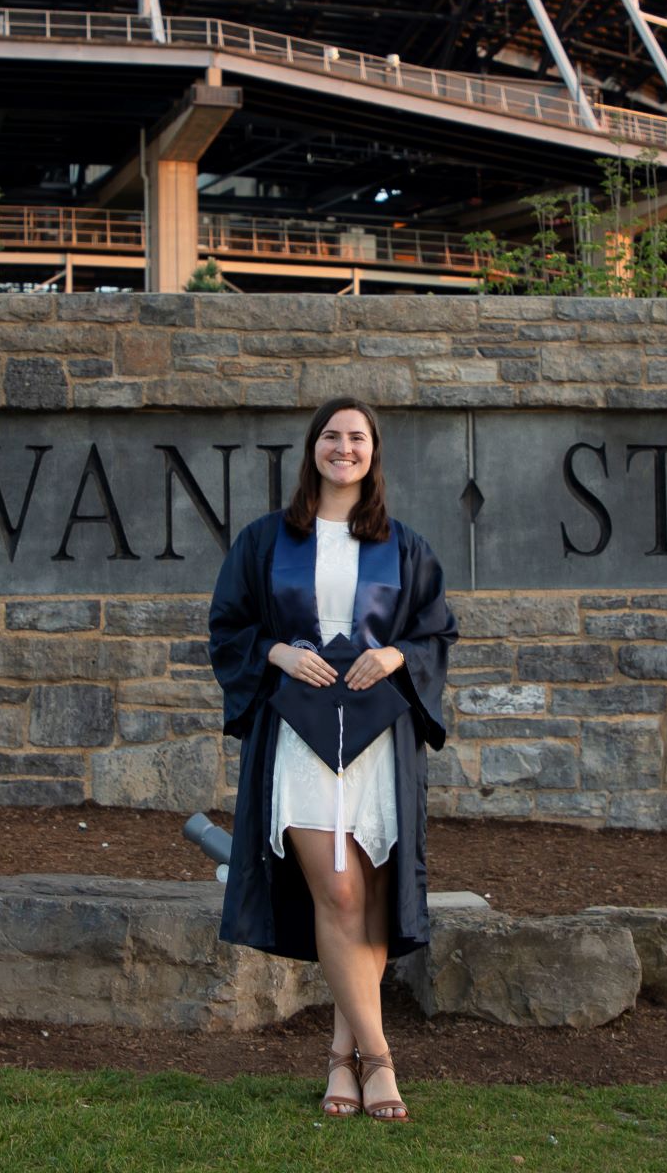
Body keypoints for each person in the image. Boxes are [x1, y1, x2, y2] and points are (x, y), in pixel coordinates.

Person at [209, 396, 457, 1122]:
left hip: (379, 734)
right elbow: (228, 627)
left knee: (372, 903)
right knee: (339, 895)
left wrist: (395, 654)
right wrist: (277, 651)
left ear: (373, 453)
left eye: (357, 437)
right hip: (299, 734)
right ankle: (380, 1061)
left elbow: (436, 632)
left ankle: (340, 1062)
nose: (343, 447)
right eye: (331, 435)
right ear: (311, 448)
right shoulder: (264, 542)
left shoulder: (404, 546)